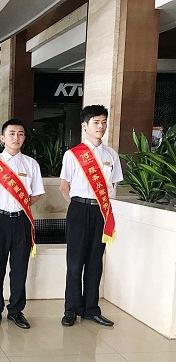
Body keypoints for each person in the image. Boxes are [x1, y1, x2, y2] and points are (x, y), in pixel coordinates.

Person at [0, 119, 44, 329]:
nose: (16, 137)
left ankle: (16, 311)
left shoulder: (31, 164)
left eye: (20, 133)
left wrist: (19, 206)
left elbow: (36, 194)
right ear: (2, 138)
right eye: (12, 133)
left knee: (19, 268)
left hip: (22, 220)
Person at [59, 105, 122, 327]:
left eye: (104, 122)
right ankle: (71, 309)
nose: (101, 126)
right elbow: (64, 186)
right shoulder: (72, 155)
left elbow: (113, 185)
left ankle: (91, 309)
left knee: (95, 261)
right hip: (79, 208)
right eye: (96, 122)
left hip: (101, 211)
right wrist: (78, 207)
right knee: (75, 262)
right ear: (85, 125)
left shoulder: (111, 154)